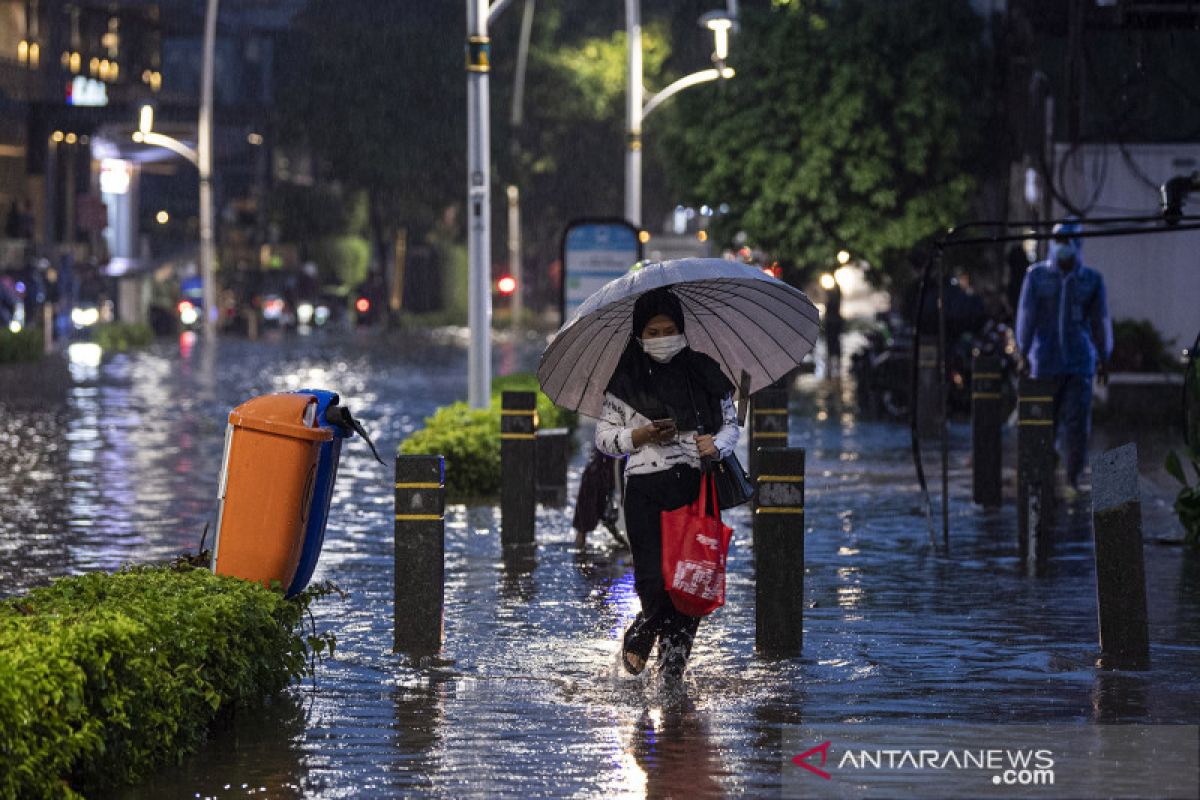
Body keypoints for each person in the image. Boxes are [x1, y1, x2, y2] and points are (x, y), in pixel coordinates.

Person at [595, 287, 739, 681]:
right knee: (655, 581)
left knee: (690, 581)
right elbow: (604, 438)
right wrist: (639, 437)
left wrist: (716, 444)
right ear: (640, 335)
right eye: (653, 332)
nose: (662, 338)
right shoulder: (626, 381)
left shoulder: (705, 371)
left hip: (695, 487)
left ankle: (673, 670)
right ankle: (643, 631)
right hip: (644, 490)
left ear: (682, 329)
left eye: (669, 329)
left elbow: (731, 425)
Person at [1015, 219, 1112, 493]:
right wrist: (1023, 353)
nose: (1062, 248)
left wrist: (1104, 356)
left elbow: (1100, 320)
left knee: (1078, 423)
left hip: (1080, 362)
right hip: (1044, 361)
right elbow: (1026, 316)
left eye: (1067, 243)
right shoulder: (1037, 276)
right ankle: (1041, 477)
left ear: (1077, 245)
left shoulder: (1091, 280)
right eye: (1058, 242)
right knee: (1044, 422)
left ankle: (1073, 477)